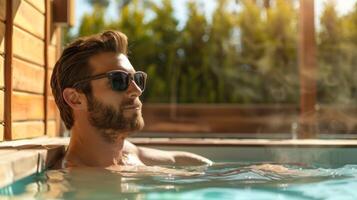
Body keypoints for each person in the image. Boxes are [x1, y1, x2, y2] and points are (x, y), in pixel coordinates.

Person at [50, 30, 212, 169]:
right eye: (118, 79)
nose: (137, 90)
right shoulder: (76, 181)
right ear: (75, 99)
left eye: (138, 79)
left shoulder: (129, 154)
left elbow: (180, 160)